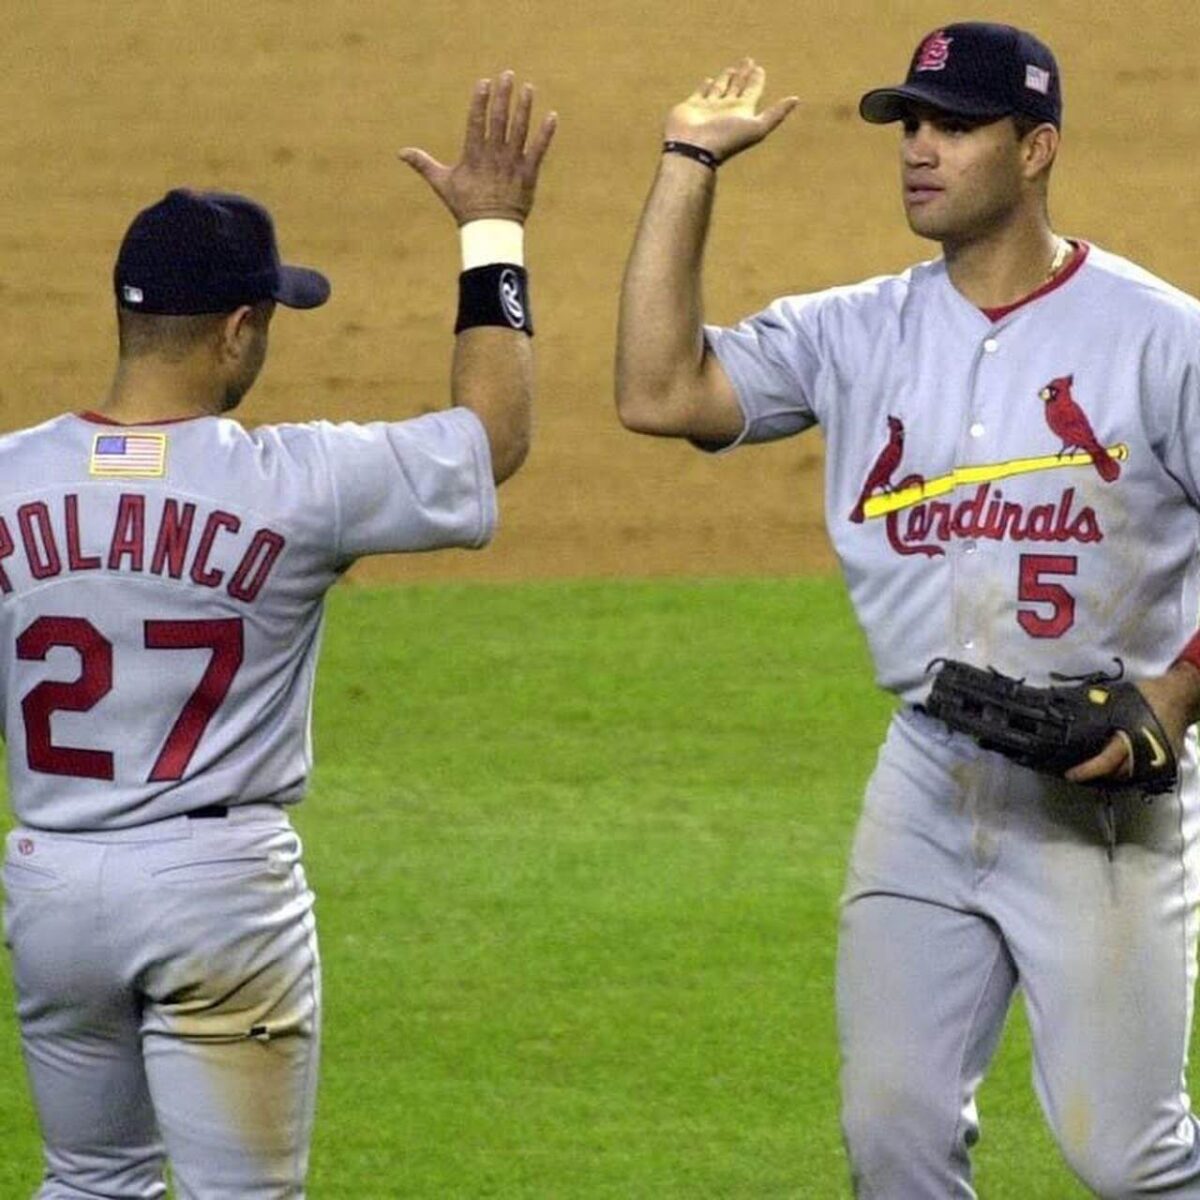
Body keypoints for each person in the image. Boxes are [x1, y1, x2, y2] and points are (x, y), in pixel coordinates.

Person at [615, 23, 1200, 1198]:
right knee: (894, 1139)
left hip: (1103, 801)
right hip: (928, 780)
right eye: (911, 123)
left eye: (957, 125)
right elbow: (657, 389)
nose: (921, 149)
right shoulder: (854, 331)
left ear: (1036, 149)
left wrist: (1174, 698)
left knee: (1128, 1162)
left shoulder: (1160, 337)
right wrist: (690, 161)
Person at [1, 72, 555, 1198]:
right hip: (218, 892)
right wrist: (491, 227)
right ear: (239, 329)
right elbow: (490, 435)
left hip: (50, 881)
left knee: (87, 1184)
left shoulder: (8, 479)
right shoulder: (296, 483)